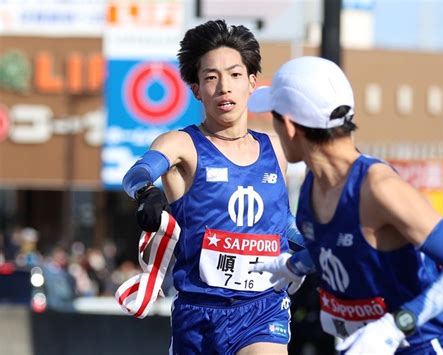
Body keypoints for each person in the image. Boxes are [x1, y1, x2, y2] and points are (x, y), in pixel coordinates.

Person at [248, 56, 443, 354]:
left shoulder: (379, 188)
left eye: (273, 118)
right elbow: (340, 244)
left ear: (289, 126)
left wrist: (396, 325)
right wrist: (294, 264)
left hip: (419, 346)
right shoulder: (313, 186)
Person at [122, 19, 305, 355]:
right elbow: (137, 174)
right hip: (198, 315)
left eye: (235, 75)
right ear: (196, 90)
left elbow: (283, 223)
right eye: (211, 77)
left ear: (252, 83)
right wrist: (147, 194)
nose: (224, 87)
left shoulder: (278, 151)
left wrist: (315, 241)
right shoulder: (181, 145)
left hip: (263, 309)